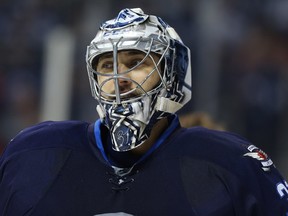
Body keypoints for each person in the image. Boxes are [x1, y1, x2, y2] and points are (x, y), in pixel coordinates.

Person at [0, 8, 288, 216]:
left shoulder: (231, 165)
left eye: (137, 62)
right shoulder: (34, 155)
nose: (119, 77)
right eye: (105, 65)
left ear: (172, 74)